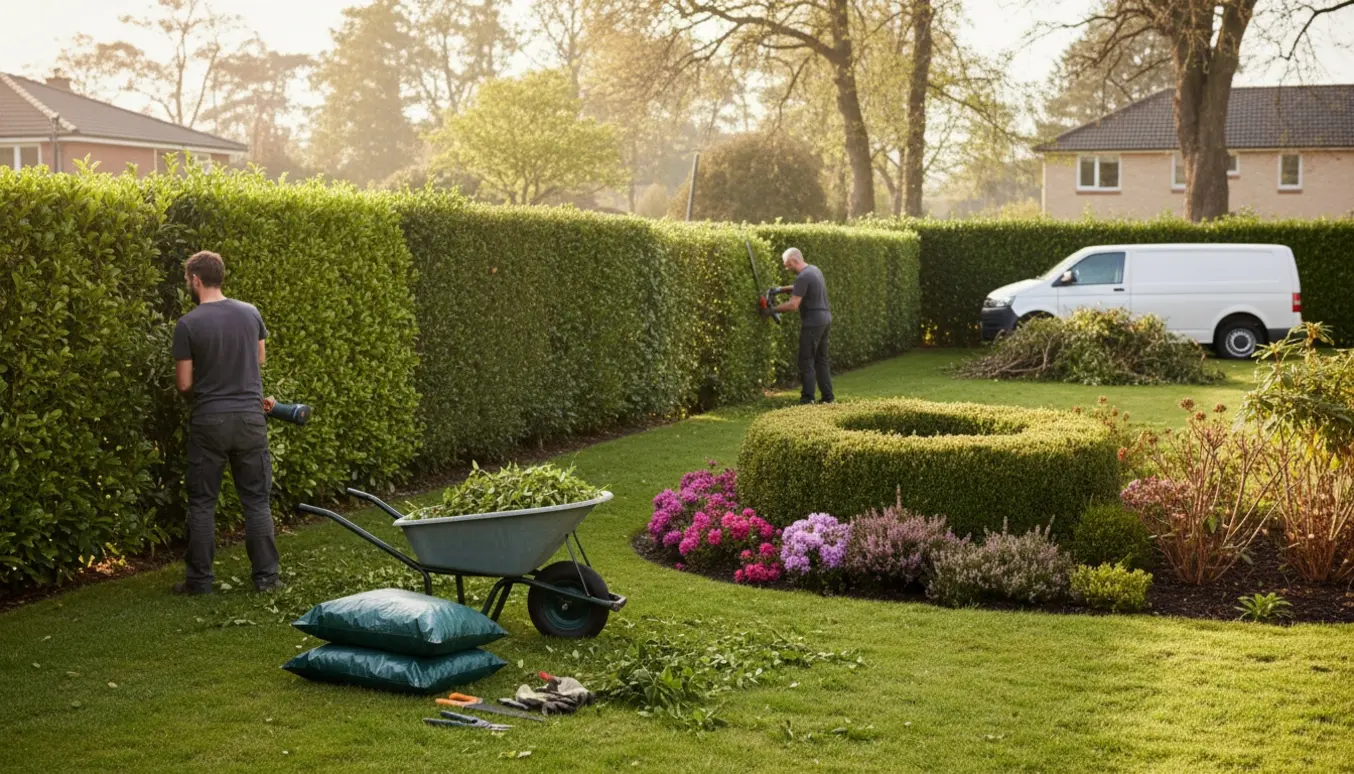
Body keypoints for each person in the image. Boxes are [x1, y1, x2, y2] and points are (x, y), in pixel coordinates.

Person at [171, 250, 281, 594]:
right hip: (250, 418)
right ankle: (266, 579)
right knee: (256, 501)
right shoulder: (250, 313)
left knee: (203, 503)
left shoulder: (188, 324)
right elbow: (259, 358)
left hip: (210, 421)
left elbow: (185, 384)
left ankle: (199, 582)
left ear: (195, 279)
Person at [774, 247, 834, 405]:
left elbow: (793, 305)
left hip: (813, 322)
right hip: (825, 318)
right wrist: (779, 290)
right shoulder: (814, 270)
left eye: (787, 265)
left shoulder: (802, 277)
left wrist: (771, 310)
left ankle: (807, 399)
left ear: (795, 260)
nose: (786, 268)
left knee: (805, 360)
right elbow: (801, 288)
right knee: (821, 360)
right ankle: (828, 398)